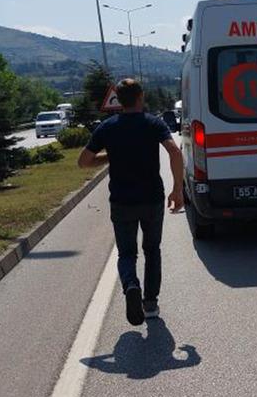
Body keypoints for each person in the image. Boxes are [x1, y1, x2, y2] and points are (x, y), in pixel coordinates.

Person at [78, 79, 185, 326]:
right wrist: (177, 190)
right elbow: (175, 152)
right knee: (152, 251)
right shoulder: (153, 123)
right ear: (141, 97)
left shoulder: (107, 127)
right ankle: (150, 303)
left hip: (122, 201)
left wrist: (110, 156)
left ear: (118, 99)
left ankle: (130, 285)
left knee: (127, 253)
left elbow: (83, 161)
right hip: (152, 199)